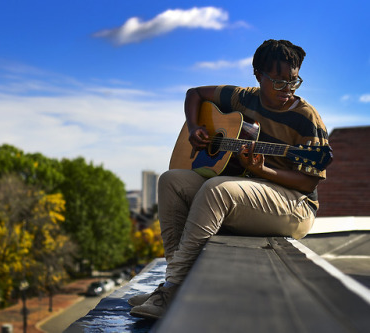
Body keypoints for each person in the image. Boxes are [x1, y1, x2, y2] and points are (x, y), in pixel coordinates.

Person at [129, 39, 330, 320]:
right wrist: (195, 127)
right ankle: (170, 284)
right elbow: (194, 93)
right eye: (278, 82)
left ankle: (172, 288)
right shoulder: (242, 97)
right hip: (251, 188)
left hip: (296, 205)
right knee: (170, 180)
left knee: (217, 189)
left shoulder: (306, 118)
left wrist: (262, 171)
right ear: (258, 75)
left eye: (294, 82)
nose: (287, 90)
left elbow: (308, 183)